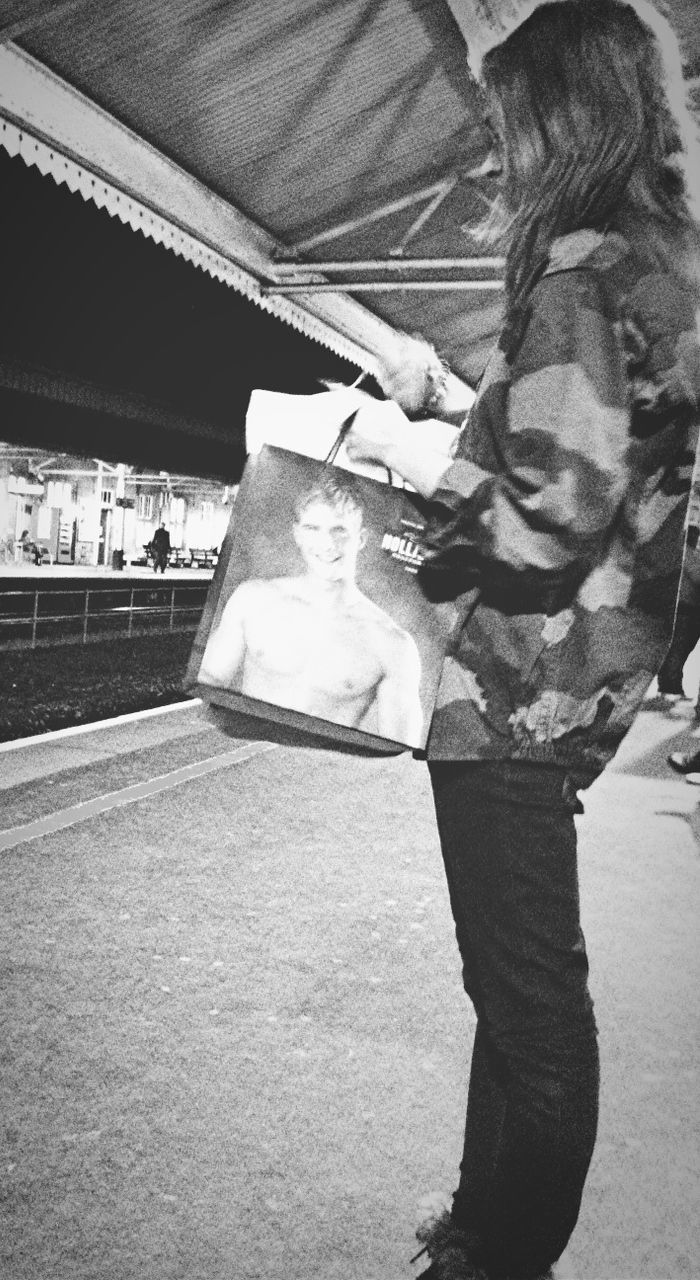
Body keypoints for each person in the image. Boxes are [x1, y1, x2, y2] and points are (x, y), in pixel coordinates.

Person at [343, 3, 700, 1277]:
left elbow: (546, 513)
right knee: (513, 988)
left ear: (565, 115)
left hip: (515, 686)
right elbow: (580, 452)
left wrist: (403, 484)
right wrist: (447, 403)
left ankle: (500, 1258)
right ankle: (479, 1230)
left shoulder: (581, 271)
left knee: (532, 1006)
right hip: (571, 684)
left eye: (511, 125)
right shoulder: (650, 264)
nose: (501, 156)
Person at [198, 470, 425, 746]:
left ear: (361, 539)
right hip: (244, 762)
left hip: (319, 778)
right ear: (297, 534)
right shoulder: (253, 599)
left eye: (340, 530)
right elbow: (209, 681)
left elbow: (399, 749)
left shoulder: (393, 644)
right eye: (312, 528)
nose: (327, 544)